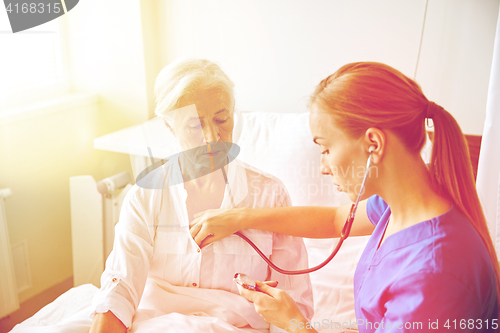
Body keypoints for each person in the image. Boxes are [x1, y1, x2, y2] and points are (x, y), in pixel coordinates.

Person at [189, 62, 500, 332]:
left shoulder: (433, 273)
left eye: (325, 149)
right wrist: (237, 218)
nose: (323, 167)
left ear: (374, 144)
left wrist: (294, 323)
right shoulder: (408, 201)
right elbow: (336, 219)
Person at [88, 58, 313, 333]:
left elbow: (293, 305)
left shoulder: (269, 195)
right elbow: (119, 287)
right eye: (195, 126)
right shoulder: (146, 196)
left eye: (222, 119)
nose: (212, 137)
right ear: (170, 127)